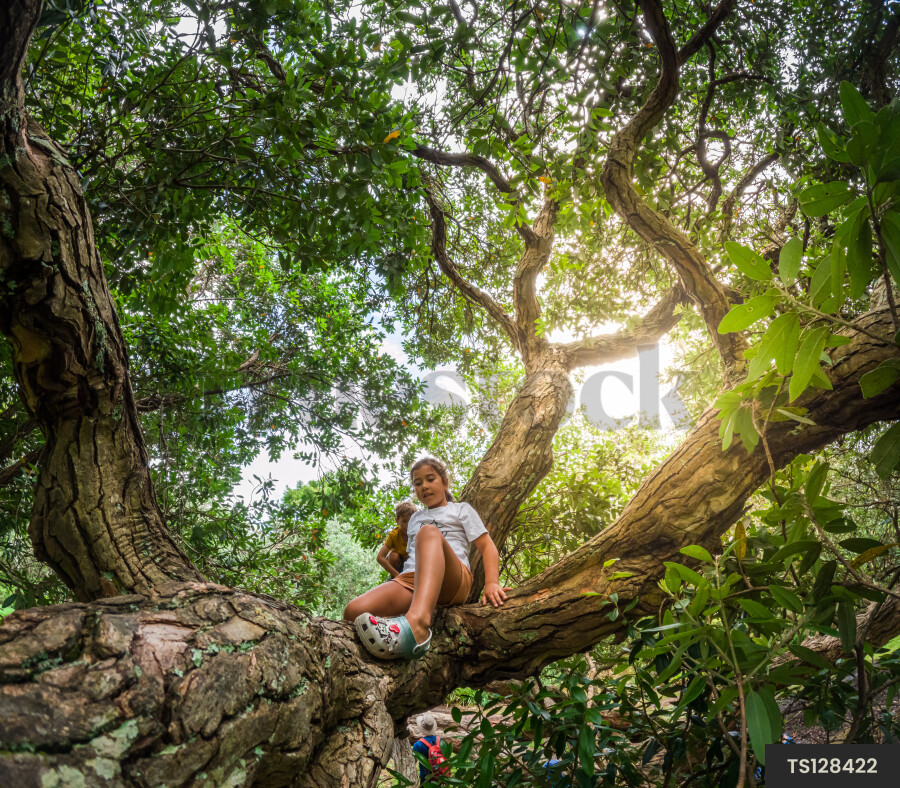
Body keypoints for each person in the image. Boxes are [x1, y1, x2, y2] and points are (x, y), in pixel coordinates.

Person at [344, 456, 508, 659]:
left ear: (445, 482)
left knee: (428, 533)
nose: (424, 486)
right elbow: (412, 557)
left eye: (430, 479)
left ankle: (418, 627)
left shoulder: (460, 510)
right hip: (412, 580)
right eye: (418, 483)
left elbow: (487, 546)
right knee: (353, 612)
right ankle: (397, 627)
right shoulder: (414, 519)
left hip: (452, 578)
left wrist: (492, 583)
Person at [376, 501, 416, 577]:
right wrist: (396, 575)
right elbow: (380, 557)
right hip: (398, 567)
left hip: (412, 565)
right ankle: (394, 578)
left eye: (411, 521)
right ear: (397, 521)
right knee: (394, 556)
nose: (408, 525)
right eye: (404, 521)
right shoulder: (394, 534)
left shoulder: (417, 533)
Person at [412, 713, 448, 783]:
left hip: (426, 779)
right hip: (440, 777)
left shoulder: (418, 745)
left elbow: (412, 762)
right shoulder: (441, 741)